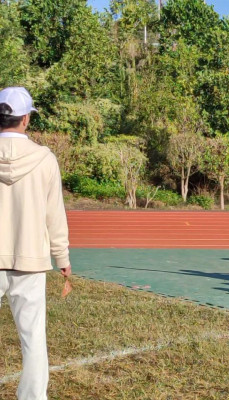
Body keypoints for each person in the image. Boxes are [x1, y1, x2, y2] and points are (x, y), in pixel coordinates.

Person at [0, 87, 71, 399]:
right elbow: (54, 214)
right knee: (33, 338)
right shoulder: (45, 159)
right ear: (26, 119)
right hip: (30, 259)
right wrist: (62, 258)